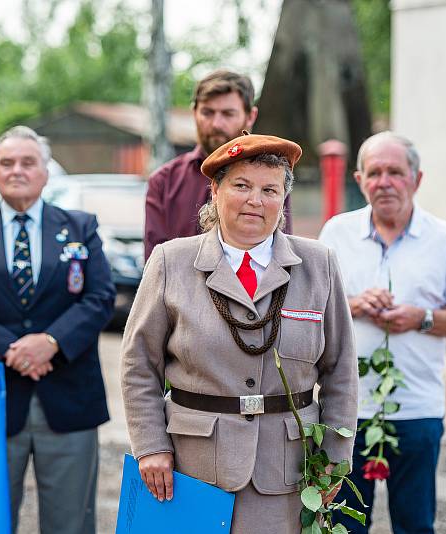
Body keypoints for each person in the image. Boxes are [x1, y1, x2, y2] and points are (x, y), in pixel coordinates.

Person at [122, 133, 358, 533]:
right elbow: (138, 364)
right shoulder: (171, 261)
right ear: (215, 190)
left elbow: (340, 370)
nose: (255, 200)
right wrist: (151, 447)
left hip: (286, 473)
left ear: (283, 200)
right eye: (242, 186)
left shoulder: (318, 264)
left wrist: (335, 455)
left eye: (270, 189)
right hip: (191, 470)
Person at [0, 125, 115, 534]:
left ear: (46, 172)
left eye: (28, 162)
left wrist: (51, 342)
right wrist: (12, 349)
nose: (17, 170)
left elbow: (100, 298)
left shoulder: (81, 227)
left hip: (70, 399)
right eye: (7, 162)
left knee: (70, 523)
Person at [319, 131, 446, 533]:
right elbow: (310, 311)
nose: (384, 182)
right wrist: (354, 304)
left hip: (417, 411)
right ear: (359, 180)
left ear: (416, 179)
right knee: (343, 525)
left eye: (395, 171)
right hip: (346, 413)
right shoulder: (336, 234)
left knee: (414, 524)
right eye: (374, 173)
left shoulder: (444, 239)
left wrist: (422, 318)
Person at [144, 69, 292, 260]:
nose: (216, 123)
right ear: (194, 112)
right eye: (208, 112)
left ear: (251, 116)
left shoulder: (270, 178)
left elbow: (281, 253)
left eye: (228, 114)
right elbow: (155, 266)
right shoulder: (164, 181)